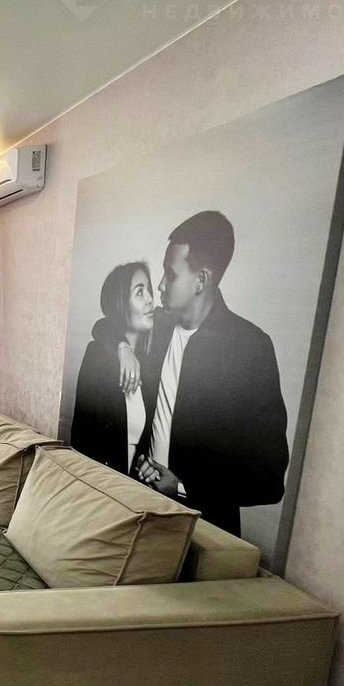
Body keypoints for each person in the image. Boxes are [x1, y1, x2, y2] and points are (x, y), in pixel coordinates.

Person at [97, 210, 290, 536]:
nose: (160, 285)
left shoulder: (250, 348)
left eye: (170, 274)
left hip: (203, 530)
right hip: (138, 510)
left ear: (201, 280)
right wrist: (122, 347)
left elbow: (269, 478)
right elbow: (106, 322)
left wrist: (183, 487)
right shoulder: (158, 327)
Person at [70, 262, 155, 474]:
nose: (150, 299)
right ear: (121, 304)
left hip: (134, 487)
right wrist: (122, 347)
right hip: (102, 484)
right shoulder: (98, 356)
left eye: (149, 290)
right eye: (139, 292)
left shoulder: (150, 362)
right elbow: (82, 440)